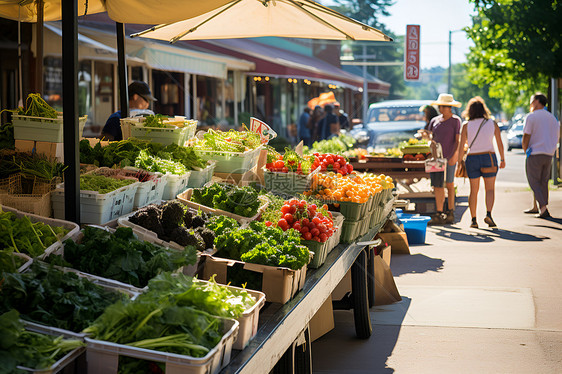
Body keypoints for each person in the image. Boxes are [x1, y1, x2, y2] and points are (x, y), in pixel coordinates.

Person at [457, 96, 506, 228]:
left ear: (470, 110)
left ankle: (473, 220)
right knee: (490, 189)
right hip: (489, 157)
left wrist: (458, 163)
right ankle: (489, 214)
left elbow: (461, 146)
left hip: (472, 158)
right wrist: (502, 159)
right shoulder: (492, 123)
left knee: (474, 190)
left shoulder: (466, 125)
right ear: (484, 109)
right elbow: (499, 143)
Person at [522, 92, 560, 218]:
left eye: (532, 101)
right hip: (549, 153)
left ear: (537, 102)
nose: (530, 104)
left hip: (535, 153)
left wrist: (525, 149)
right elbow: (557, 136)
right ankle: (539, 207)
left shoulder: (531, 117)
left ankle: (543, 208)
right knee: (543, 182)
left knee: (533, 181)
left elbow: (526, 135)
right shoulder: (552, 118)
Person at [426, 93, 462, 225]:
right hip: (437, 158)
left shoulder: (455, 121)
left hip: (450, 157)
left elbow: (457, 140)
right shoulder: (434, 121)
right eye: (440, 106)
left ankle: (450, 211)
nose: (441, 108)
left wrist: (455, 156)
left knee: (450, 184)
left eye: (444, 106)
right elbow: (431, 138)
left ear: (450, 107)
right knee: (437, 185)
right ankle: (439, 212)